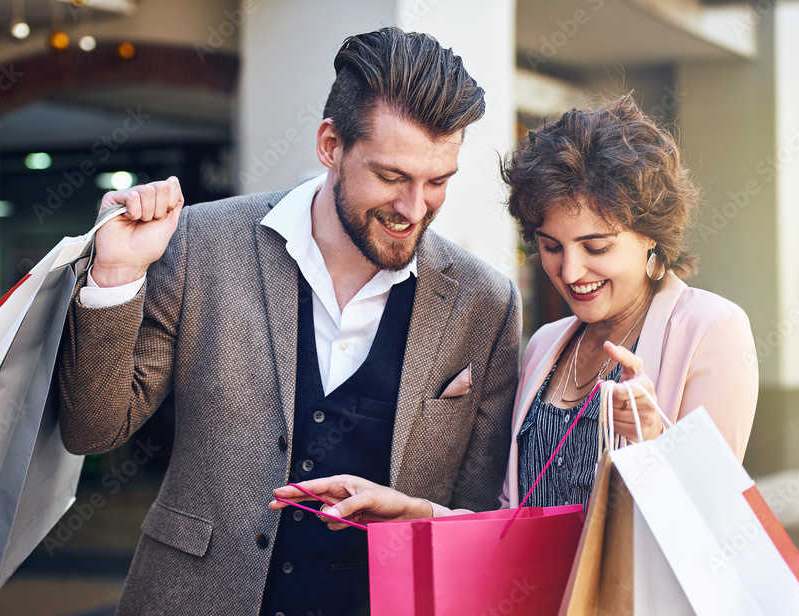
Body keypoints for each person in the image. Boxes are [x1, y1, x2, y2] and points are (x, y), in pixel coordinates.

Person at [57, 27, 521, 616]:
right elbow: (92, 429)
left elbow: (473, 526)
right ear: (331, 145)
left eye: (438, 181)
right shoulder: (202, 244)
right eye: (392, 176)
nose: (415, 208)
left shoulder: (484, 304)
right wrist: (115, 277)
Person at [271, 94, 759, 524]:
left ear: (651, 234)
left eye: (596, 247)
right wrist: (411, 510)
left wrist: (655, 440)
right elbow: (511, 521)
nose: (570, 272)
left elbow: (716, 521)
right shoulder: (547, 344)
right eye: (551, 246)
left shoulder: (712, 329)